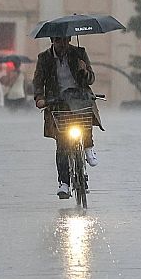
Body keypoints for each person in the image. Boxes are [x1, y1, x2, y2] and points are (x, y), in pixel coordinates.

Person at [33, 36, 103, 199]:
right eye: (58, 41)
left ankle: (88, 147)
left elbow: (91, 79)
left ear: (70, 39)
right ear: (52, 41)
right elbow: (38, 81)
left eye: (65, 41)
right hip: (58, 102)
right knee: (62, 143)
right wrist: (39, 98)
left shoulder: (79, 53)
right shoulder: (44, 58)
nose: (62, 44)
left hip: (79, 98)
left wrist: (84, 70)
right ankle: (64, 182)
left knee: (85, 121)